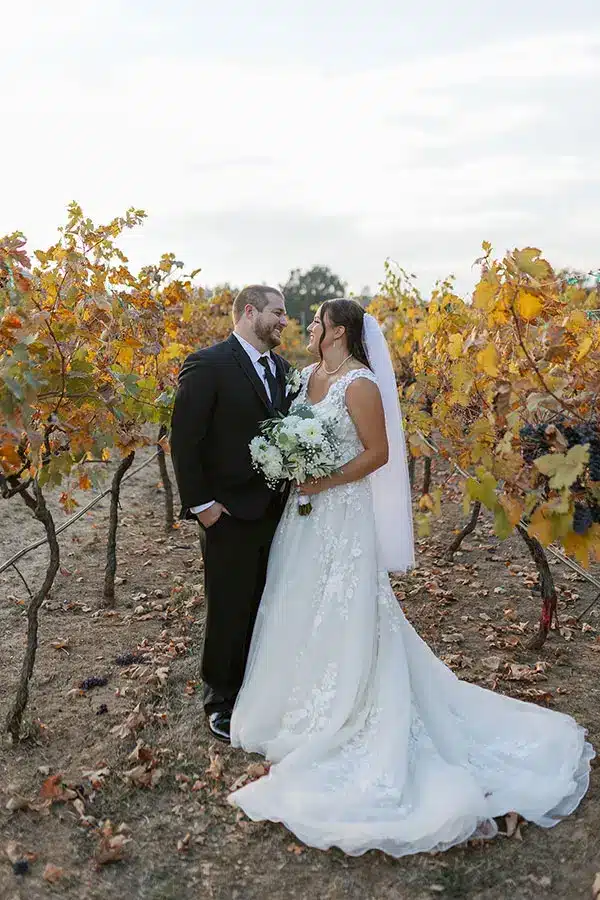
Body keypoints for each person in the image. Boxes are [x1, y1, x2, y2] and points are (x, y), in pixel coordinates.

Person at [228, 298, 594, 858]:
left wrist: (320, 482)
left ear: (339, 330)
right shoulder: (305, 377)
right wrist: (290, 463)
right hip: (302, 520)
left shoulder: (362, 385)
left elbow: (376, 455)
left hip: (342, 515)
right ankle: (296, 704)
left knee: (347, 609)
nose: (309, 327)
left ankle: (348, 708)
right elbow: (291, 434)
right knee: (297, 602)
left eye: (318, 320)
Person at [170, 285, 290, 742]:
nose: (284, 321)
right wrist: (202, 507)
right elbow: (185, 439)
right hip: (227, 513)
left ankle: (255, 687)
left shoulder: (279, 368)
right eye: (277, 313)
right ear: (249, 311)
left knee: (263, 600)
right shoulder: (209, 363)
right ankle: (220, 699)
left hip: (275, 510)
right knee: (228, 605)